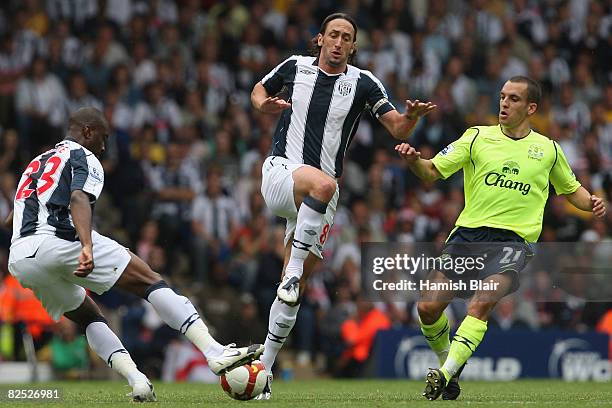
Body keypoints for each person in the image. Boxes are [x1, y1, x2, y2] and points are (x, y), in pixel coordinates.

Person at [5, 107, 263, 402]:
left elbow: (13, 214)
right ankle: (214, 351)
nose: (103, 147)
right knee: (149, 280)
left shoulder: (36, 163)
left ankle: (137, 380)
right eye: (102, 138)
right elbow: (78, 197)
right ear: (87, 132)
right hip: (59, 241)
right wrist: (87, 245)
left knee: (88, 315)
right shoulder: (83, 157)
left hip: (22, 257)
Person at [250, 12, 435, 399]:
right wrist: (264, 105)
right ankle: (293, 269)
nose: (338, 41)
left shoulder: (364, 83)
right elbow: (258, 90)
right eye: (332, 34)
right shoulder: (295, 66)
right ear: (319, 39)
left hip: (322, 199)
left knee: (294, 290)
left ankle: (263, 372)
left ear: (353, 46)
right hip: (283, 172)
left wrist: (412, 119)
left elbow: (397, 128)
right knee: (323, 184)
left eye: (346, 37)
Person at [395, 76, 606, 401]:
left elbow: (571, 189)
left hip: (514, 241)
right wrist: (414, 161)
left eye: (514, 99)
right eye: (503, 97)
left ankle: (444, 373)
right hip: (468, 235)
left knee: (481, 303)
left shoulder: (548, 149)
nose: (504, 103)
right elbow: (432, 171)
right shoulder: (477, 136)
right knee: (427, 307)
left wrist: (591, 201)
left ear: (531, 108)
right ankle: (448, 367)